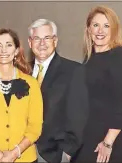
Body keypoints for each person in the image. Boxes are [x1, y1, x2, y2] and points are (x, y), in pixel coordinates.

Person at [69, 6, 122, 162]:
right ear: (88, 29)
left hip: (112, 138)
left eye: (106, 26)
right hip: (90, 135)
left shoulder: (120, 55)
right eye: (96, 25)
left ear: (113, 29)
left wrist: (108, 142)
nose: (100, 30)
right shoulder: (89, 60)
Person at [0, 28, 43, 162]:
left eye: (9, 45)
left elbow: (35, 127)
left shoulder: (32, 84)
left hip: (24, 158)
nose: (3, 50)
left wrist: (15, 153)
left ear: (16, 51)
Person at [27, 19, 80, 162]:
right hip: (22, 152)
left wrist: (66, 153)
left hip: (53, 154)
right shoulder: (21, 71)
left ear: (55, 41)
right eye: (37, 38)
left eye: (47, 38)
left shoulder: (73, 71)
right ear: (30, 42)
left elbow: (78, 116)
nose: (42, 43)